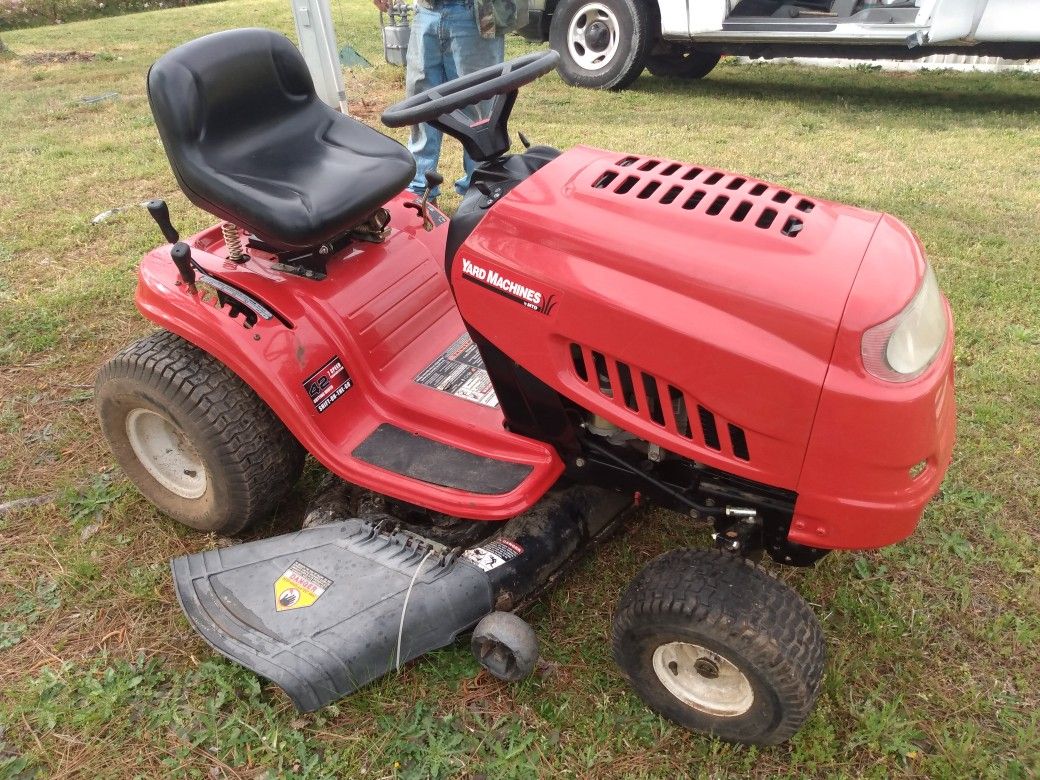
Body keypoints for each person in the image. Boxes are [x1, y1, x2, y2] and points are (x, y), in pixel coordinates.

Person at [374, 0, 525, 200]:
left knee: (480, 110)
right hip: (426, 11)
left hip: (475, 14)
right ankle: (421, 193)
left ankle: (480, 192)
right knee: (421, 107)